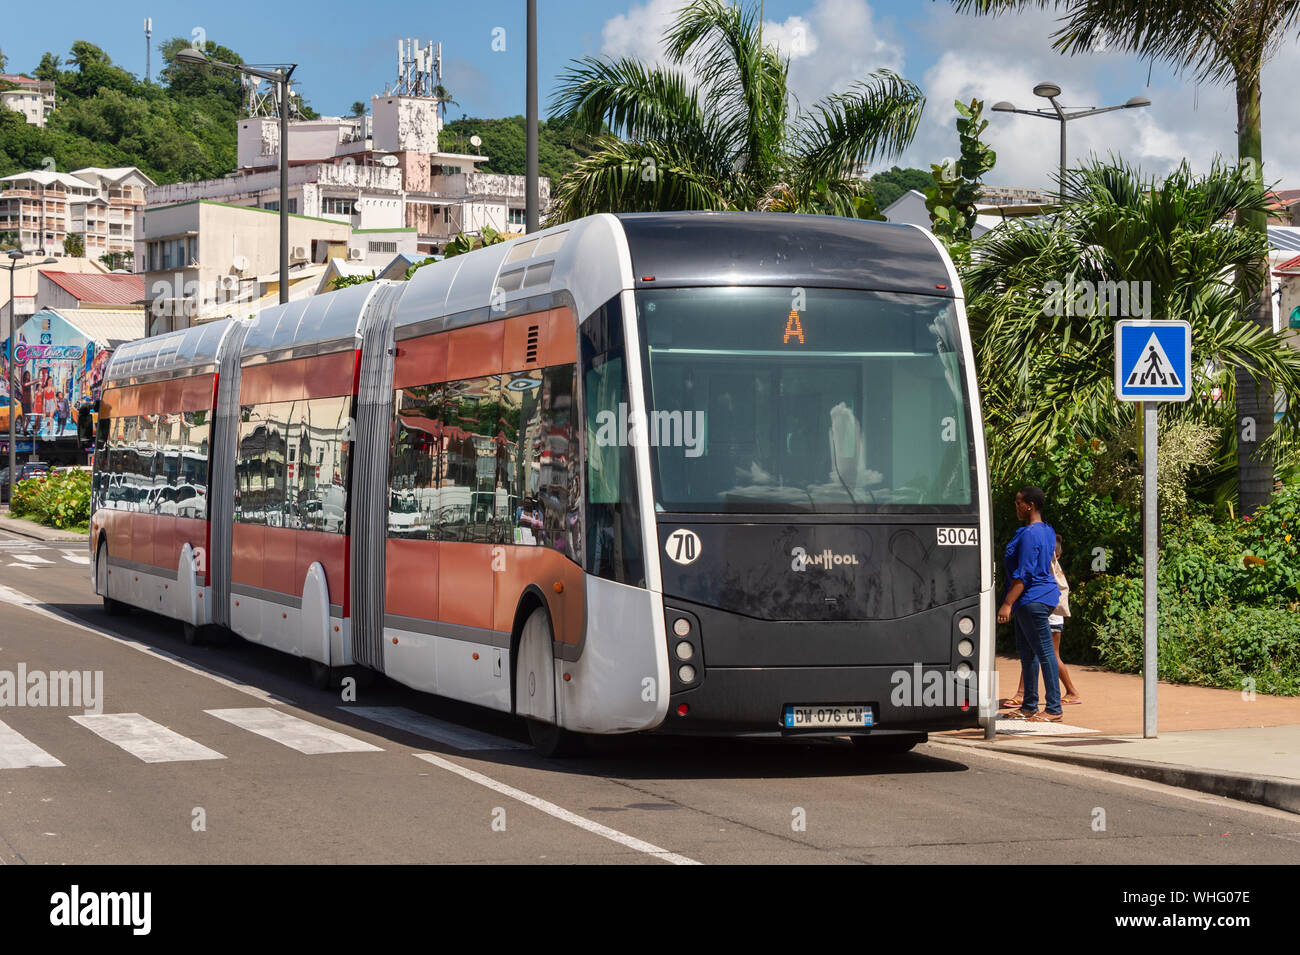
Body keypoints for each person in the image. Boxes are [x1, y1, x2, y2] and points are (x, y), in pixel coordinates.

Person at [997, 486, 1063, 722]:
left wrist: (1007, 603)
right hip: (1038, 598)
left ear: (1030, 505)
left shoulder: (1029, 534)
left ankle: (1054, 708)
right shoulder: (1047, 531)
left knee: (1044, 653)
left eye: (1018, 503)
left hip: (1031, 598)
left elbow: (1023, 573)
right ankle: (1029, 705)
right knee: (1028, 654)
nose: (1016, 507)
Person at [1000, 533, 1082, 707]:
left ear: (1056, 555)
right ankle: (1070, 691)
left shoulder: (1051, 568)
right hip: (1050, 614)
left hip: (1050, 616)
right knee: (1043, 654)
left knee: (1039, 654)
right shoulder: (1045, 566)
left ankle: (1025, 694)